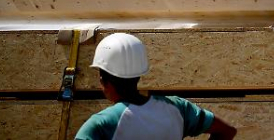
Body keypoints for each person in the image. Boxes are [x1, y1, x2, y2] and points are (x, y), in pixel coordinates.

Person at [75, 33, 237, 140]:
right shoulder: (178, 108)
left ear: (104, 81)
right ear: (139, 74)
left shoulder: (100, 125)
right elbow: (227, 131)